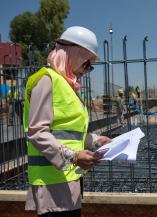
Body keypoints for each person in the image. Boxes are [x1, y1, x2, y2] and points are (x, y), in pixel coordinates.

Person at [23, 26, 112, 217]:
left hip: (68, 179)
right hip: (51, 184)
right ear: (73, 54)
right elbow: (37, 132)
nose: (87, 71)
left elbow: (67, 132)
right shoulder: (47, 80)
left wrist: (95, 140)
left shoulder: (65, 84)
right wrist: (74, 156)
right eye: (86, 64)